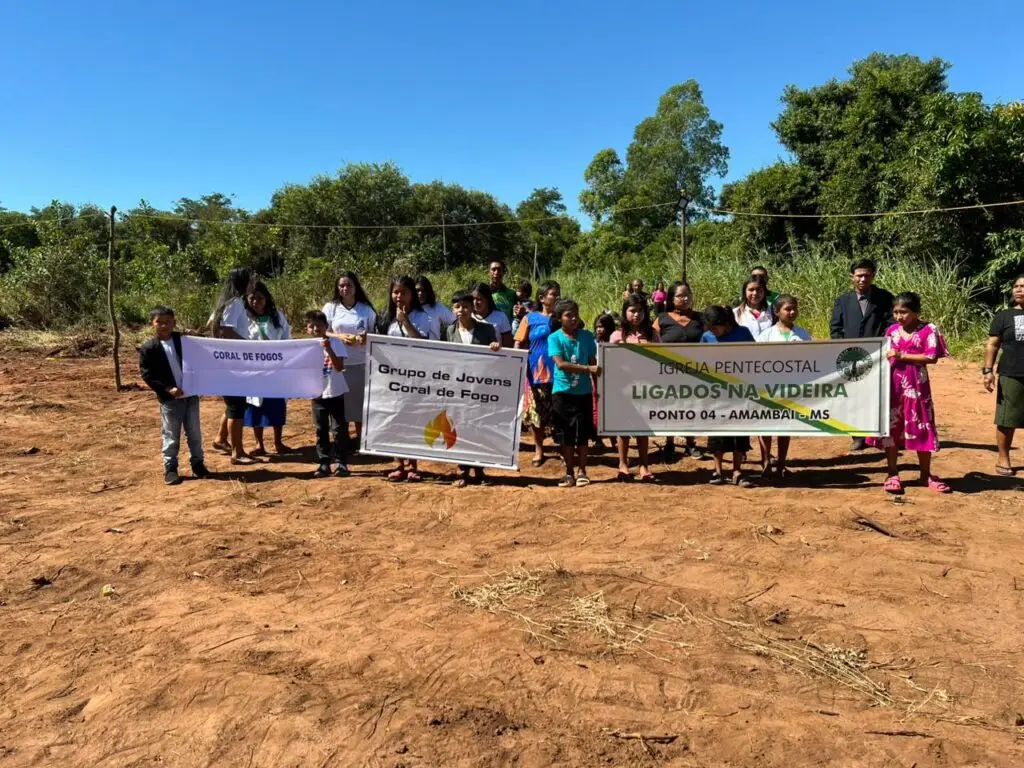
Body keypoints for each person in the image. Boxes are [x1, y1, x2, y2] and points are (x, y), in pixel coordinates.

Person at [868, 292, 950, 495]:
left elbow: (931, 357)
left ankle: (925, 474)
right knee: (892, 426)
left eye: (903, 312)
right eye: (895, 312)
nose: (899, 316)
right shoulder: (891, 331)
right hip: (893, 386)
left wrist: (902, 355)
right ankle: (892, 473)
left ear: (915, 312)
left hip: (917, 387)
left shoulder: (928, 329)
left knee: (922, 425)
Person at [139, 306, 212, 485]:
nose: (164, 325)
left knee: (194, 433)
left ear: (174, 322)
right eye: (160, 322)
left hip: (190, 395)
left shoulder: (184, 341)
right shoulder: (149, 348)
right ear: (152, 324)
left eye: (168, 322)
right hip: (170, 400)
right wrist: (167, 389)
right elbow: (147, 375)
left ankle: (198, 465)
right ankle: (170, 469)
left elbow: (204, 352)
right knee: (171, 435)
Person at [830, 258, 895, 452]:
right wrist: (841, 349)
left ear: (873, 276)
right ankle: (857, 436)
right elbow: (836, 328)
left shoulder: (885, 298)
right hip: (851, 357)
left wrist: (883, 345)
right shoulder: (843, 300)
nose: (863, 279)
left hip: (877, 356)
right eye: (859, 275)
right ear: (852, 276)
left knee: (878, 395)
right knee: (853, 397)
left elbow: (891, 324)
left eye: (867, 275)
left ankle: (877, 435)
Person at [377, 276, 436, 481]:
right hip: (392, 378)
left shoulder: (423, 317)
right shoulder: (385, 318)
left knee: (413, 420)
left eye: (404, 292)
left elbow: (424, 345)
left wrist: (406, 322)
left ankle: (413, 466)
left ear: (412, 294)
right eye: (396, 292)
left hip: (416, 378)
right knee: (396, 420)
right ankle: (400, 464)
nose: (399, 296)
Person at [442, 290, 502, 487]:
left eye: (466, 306)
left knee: (479, 427)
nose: (462, 310)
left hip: (480, 388)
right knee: (459, 427)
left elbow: (496, 356)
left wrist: (495, 346)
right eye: (457, 307)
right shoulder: (448, 331)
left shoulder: (487, 330)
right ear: (453, 310)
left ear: (472, 308)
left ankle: (480, 469)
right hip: (457, 389)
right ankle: (463, 470)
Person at [756, 295, 812, 483]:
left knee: (784, 427)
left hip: (792, 388)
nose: (792, 312)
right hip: (769, 387)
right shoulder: (766, 335)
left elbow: (812, 359)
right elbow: (757, 360)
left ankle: (781, 464)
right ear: (777, 311)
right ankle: (765, 463)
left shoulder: (802, 334)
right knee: (765, 426)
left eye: (795, 308)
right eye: (788, 309)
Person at [701, 306, 755, 487]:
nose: (712, 331)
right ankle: (717, 470)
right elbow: (699, 361)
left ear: (725, 323)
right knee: (717, 431)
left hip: (740, 391)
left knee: (739, 432)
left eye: (715, 328)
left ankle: (737, 471)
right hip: (716, 392)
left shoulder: (743, 333)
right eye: (709, 328)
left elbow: (758, 358)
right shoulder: (707, 337)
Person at [549, 298, 600, 488]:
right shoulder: (554, 338)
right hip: (562, 393)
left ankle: (583, 471)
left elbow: (594, 363)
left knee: (583, 434)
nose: (573, 319)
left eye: (575, 315)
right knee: (567, 434)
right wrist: (587, 369)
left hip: (584, 393)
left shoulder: (587, 336)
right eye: (568, 315)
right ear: (559, 318)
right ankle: (569, 472)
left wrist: (597, 390)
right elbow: (561, 364)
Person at [323, 271, 377, 449]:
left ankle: (361, 441)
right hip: (337, 363)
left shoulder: (366, 309)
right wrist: (338, 336)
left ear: (356, 287)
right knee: (340, 404)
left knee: (360, 404)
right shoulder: (330, 307)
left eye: (349, 285)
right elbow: (323, 331)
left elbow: (374, 332)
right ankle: (342, 441)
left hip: (360, 362)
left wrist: (366, 337)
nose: (345, 288)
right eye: (342, 285)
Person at [610, 294, 659, 482]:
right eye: (632, 311)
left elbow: (661, 359)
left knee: (643, 428)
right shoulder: (617, 335)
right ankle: (623, 464)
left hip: (646, 388)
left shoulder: (653, 335)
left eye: (640, 310)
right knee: (623, 428)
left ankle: (644, 465)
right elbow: (609, 361)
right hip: (623, 388)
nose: (636, 314)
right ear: (625, 312)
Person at [654, 281, 705, 460]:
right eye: (680, 296)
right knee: (670, 407)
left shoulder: (700, 318)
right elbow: (651, 342)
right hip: (668, 372)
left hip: (695, 372)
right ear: (671, 299)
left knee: (691, 407)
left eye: (687, 295)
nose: (684, 299)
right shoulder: (662, 319)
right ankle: (669, 442)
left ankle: (691, 443)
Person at [210, 267, 256, 464]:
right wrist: (250, 346)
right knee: (237, 407)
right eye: (250, 280)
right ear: (242, 282)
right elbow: (226, 331)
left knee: (234, 404)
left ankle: (221, 439)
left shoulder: (224, 302)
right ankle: (238, 453)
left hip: (226, 360)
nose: (253, 284)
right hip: (235, 362)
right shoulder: (235, 303)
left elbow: (211, 326)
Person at [241, 282, 292, 456]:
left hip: (275, 371)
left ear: (267, 299)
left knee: (276, 406)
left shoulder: (277, 316)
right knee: (255, 407)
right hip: (253, 371)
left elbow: (287, 339)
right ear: (247, 299)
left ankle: (278, 442)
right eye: (252, 298)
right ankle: (259, 445)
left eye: (260, 298)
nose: (256, 301)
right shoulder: (243, 318)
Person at [514, 280, 561, 467]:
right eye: (552, 294)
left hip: (560, 373)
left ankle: (563, 448)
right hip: (536, 373)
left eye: (558, 293)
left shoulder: (562, 317)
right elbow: (518, 342)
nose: (556, 297)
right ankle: (539, 449)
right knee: (537, 414)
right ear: (541, 298)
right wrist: (516, 361)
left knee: (559, 412)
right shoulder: (530, 318)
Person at [984, 275, 1024, 476]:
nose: (1019, 289)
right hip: (1011, 373)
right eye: (1016, 286)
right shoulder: (1004, 316)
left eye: (1023, 286)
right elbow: (992, 345)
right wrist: (988, 371)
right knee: (1007, 418)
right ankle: (1003, 457)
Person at [304, 310, 350, 479]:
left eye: (319, 325)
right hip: (317, 394)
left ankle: (341, 462)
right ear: (307, 328)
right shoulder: (305, 347)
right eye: (312, 325)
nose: (316, 329)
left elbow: (339, 367)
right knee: (321, 429)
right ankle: (324, 462)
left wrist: (328, 349)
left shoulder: (336, 343)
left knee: (339, 429)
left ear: (326, 326)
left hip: (335, 391)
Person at [592, 311, 618, 453]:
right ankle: (598, 438)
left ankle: (614, 438)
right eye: (597, 327)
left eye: (601, 326)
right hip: (595, 380)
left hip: (612, 380)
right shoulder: (593, 342)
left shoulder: (615, 342)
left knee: (612, 409)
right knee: (597, 409)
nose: (599, 330)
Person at [470, 283, 514, 347]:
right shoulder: (468, 316)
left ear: (487, 299)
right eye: (473, 299)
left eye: (479, 299)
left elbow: (508, 345)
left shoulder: (501, 317)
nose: (475, 302)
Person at [416, 275, 455, 341]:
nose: (420, 293)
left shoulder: (437, 307)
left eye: (424, 290)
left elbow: (455, 321)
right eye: (417, 290)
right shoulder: (409, 307)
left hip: (433, 346)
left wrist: (446, 338)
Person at [734, 275, 774, 339]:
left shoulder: (774, 311)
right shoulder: (735, 313)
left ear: (764, 292)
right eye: (751, 290)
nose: (755, 293)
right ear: (745, 291)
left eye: (759, 289)